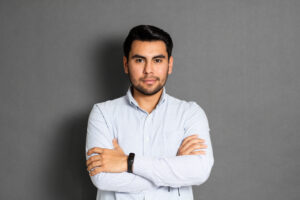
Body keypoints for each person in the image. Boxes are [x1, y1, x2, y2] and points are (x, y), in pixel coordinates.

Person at [85, 25, 214, 200]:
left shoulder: (190, 113)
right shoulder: (102, 114)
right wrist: (172, 170)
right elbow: (101, 178)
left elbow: (199, 171)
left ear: (170, 65)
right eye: (139, 60)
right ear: (126, 64)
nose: (148, 70)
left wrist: (127, 162)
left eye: (157, 60)